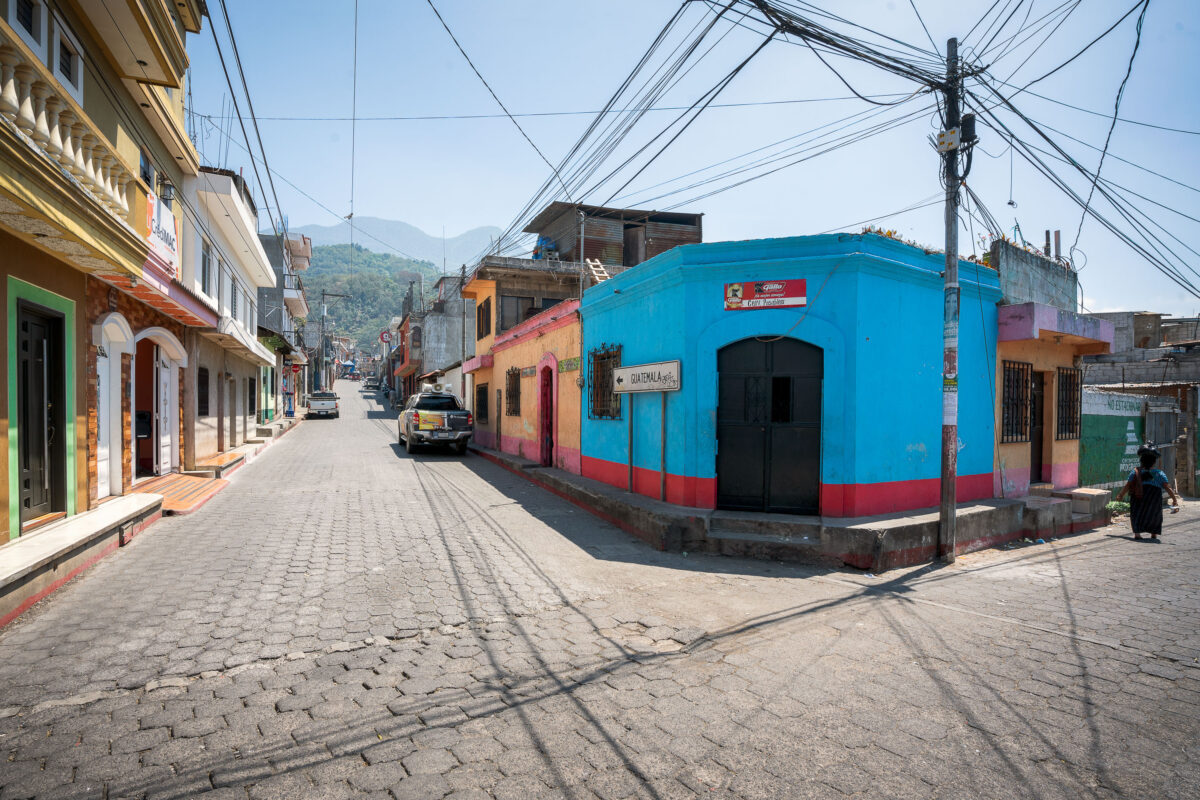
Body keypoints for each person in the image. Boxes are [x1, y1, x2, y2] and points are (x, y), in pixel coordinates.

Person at [1115, 446, 1180, 540]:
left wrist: (1120, 495)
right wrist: (1174, 500)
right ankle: (1154, 533)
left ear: (1141, 461)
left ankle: (1137, 534)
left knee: (1136, 513)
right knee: (1154, 514)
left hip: (1138, 496)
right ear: (1154, 462)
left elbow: (1128, 485)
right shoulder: (1159, 473)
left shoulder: (1135, 472)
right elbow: (1167, 487)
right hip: (1154, 498)